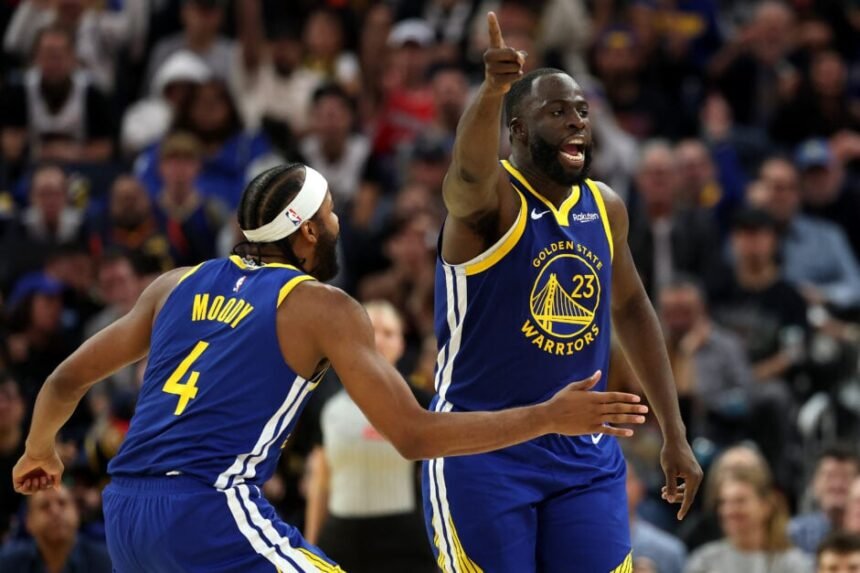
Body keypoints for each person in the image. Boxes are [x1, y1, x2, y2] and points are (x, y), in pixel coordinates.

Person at [12, 162, 649, 571]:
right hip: (208, 509)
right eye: (331, 213)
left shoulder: (174, 285)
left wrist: (40, 449)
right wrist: (548, 416)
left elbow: (64, 379)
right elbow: (415, 436)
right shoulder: (321, 306)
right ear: (307, 232)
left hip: (125, 515)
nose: (340, 221)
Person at [423, 13, 701, 572]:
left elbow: (630, 307)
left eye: (581, 112)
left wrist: (675, 431)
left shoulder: (605, 206)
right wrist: (492, 93)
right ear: (518, 130)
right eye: (556, 112)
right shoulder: (489, 205)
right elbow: (467, 173)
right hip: (483, 446)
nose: (576, 123)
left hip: (584, 455)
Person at [304, 301, 435, 572]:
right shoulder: (327, 403)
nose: (379, 340)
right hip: (340, 538)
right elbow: (320, 480)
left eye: (388, 332)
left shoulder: (423, 403)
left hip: (404, 541)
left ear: (401, 344)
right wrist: (309, 549)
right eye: (371, 330)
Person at [684, 466, 811, 573]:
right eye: (723, 502)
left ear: (766, 506)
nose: (729, 510)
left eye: (740, 501)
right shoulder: (704, 561)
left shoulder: (794, 564)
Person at [0, 484, 112, 573]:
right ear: (28, 522)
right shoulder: (7, 563)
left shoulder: (105, 562)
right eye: (45, 506)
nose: (55, 512)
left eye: (62, 503)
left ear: (77, 513)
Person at [790, 446, 860, 554]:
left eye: (845, 477)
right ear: (814, 483)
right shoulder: (794, 533)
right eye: (829, 476)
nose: (837, 485)